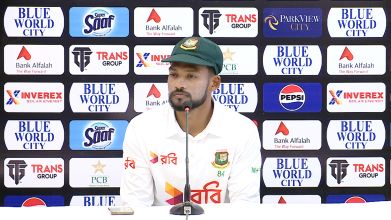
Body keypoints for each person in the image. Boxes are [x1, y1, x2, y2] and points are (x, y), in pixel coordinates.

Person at [120, 36, 262, 206]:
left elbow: (244, 208)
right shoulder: (141, 127)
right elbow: (135, 206)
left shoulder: (242, 130)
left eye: (191, 76)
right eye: (174, 74)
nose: (179, 84)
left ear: (214, 83)